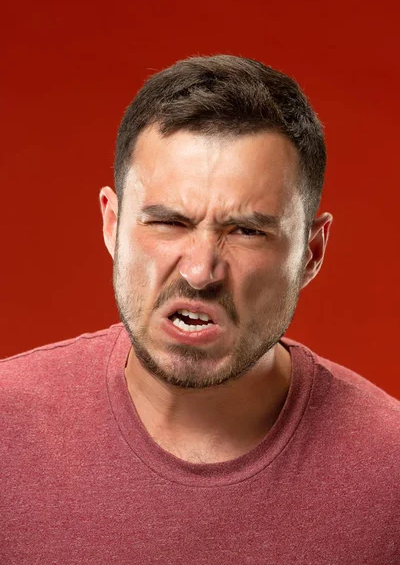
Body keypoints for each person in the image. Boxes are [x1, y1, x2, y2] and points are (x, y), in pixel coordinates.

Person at [1, 55, 398, 565]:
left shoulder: (391, 475)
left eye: (247, 231)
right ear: (112, 225)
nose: (199, 270)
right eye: (169, 222)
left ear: (311, 253)